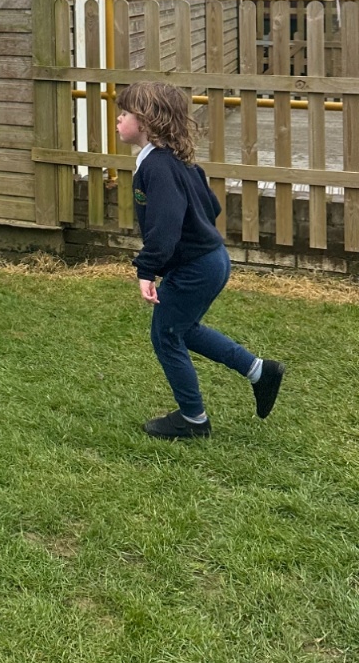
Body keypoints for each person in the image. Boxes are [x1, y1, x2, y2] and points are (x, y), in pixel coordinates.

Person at [115, 81, 284, 438]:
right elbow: (212, 207)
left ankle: (193, 420)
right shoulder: (177, 161)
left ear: (145, 121)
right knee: (182, 328)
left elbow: (165, 226)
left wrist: (147, 269)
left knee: (166, 335)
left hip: (196, 267)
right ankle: (259, 371)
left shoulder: (158, 167)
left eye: (125, 113)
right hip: (212, 259)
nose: (118, 118)